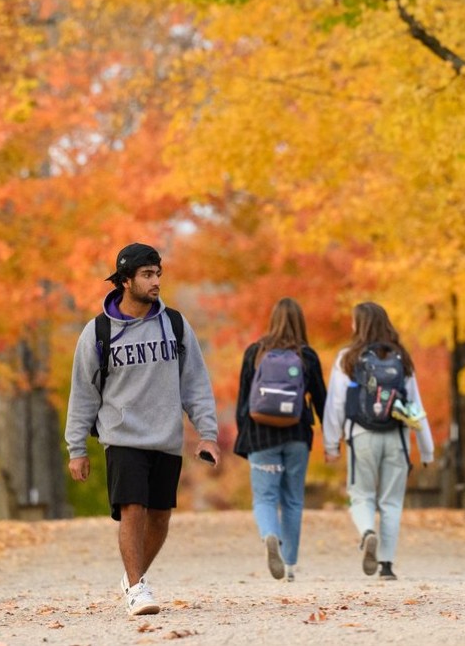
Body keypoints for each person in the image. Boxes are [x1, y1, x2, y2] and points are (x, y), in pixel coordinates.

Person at [64, 242, 220, 617]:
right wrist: (77, 448)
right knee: (133, 508)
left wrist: (208, 433)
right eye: (147, 275)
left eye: (158, 274)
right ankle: (136, 588)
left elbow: (195, 384)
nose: (156, 282)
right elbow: (83, 392)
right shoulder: (98, 332)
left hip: (165, 437)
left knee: (160, 518)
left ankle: (133, 576)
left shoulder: (175, 325)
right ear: (125, 280)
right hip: (122, 436)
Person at [323, 302, 434, 581]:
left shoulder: (348, 357)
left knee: (361, 495)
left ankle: (367, 532)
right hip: (397, 437)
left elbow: (335, 404)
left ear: (358, 325)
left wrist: (331, 444)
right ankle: (386, 565)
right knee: (391, 502)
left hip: (361, 436)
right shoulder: (401, 358)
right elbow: (415, 405)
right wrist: (427, 449)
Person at [233, 297, 327, 582]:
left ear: (272, 320)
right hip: (297, 436)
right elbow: (321, 400)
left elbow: (243, 402)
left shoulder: (255, 352)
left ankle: (270, 535)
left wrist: (245, 439)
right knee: (293, 500)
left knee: (265, 497)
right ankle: (290, 566)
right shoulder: (307, 355)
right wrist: (331, 437)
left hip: (261, 437)